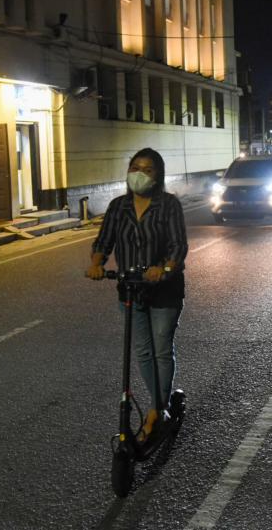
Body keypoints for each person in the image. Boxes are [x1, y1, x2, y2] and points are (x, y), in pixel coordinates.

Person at [85, 148, 188, 441]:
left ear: (158, 176)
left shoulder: (169, 206)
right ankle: (158, 404)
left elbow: (178, 247)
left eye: (148, 169)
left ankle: (159, 408)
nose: (139, 173)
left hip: (165, 290)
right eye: (135, 167)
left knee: (160, 349)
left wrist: (163, 267)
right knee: (142, 351)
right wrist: (96, 264)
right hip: (130, 289)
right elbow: (104, 241)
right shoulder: (118, 207)